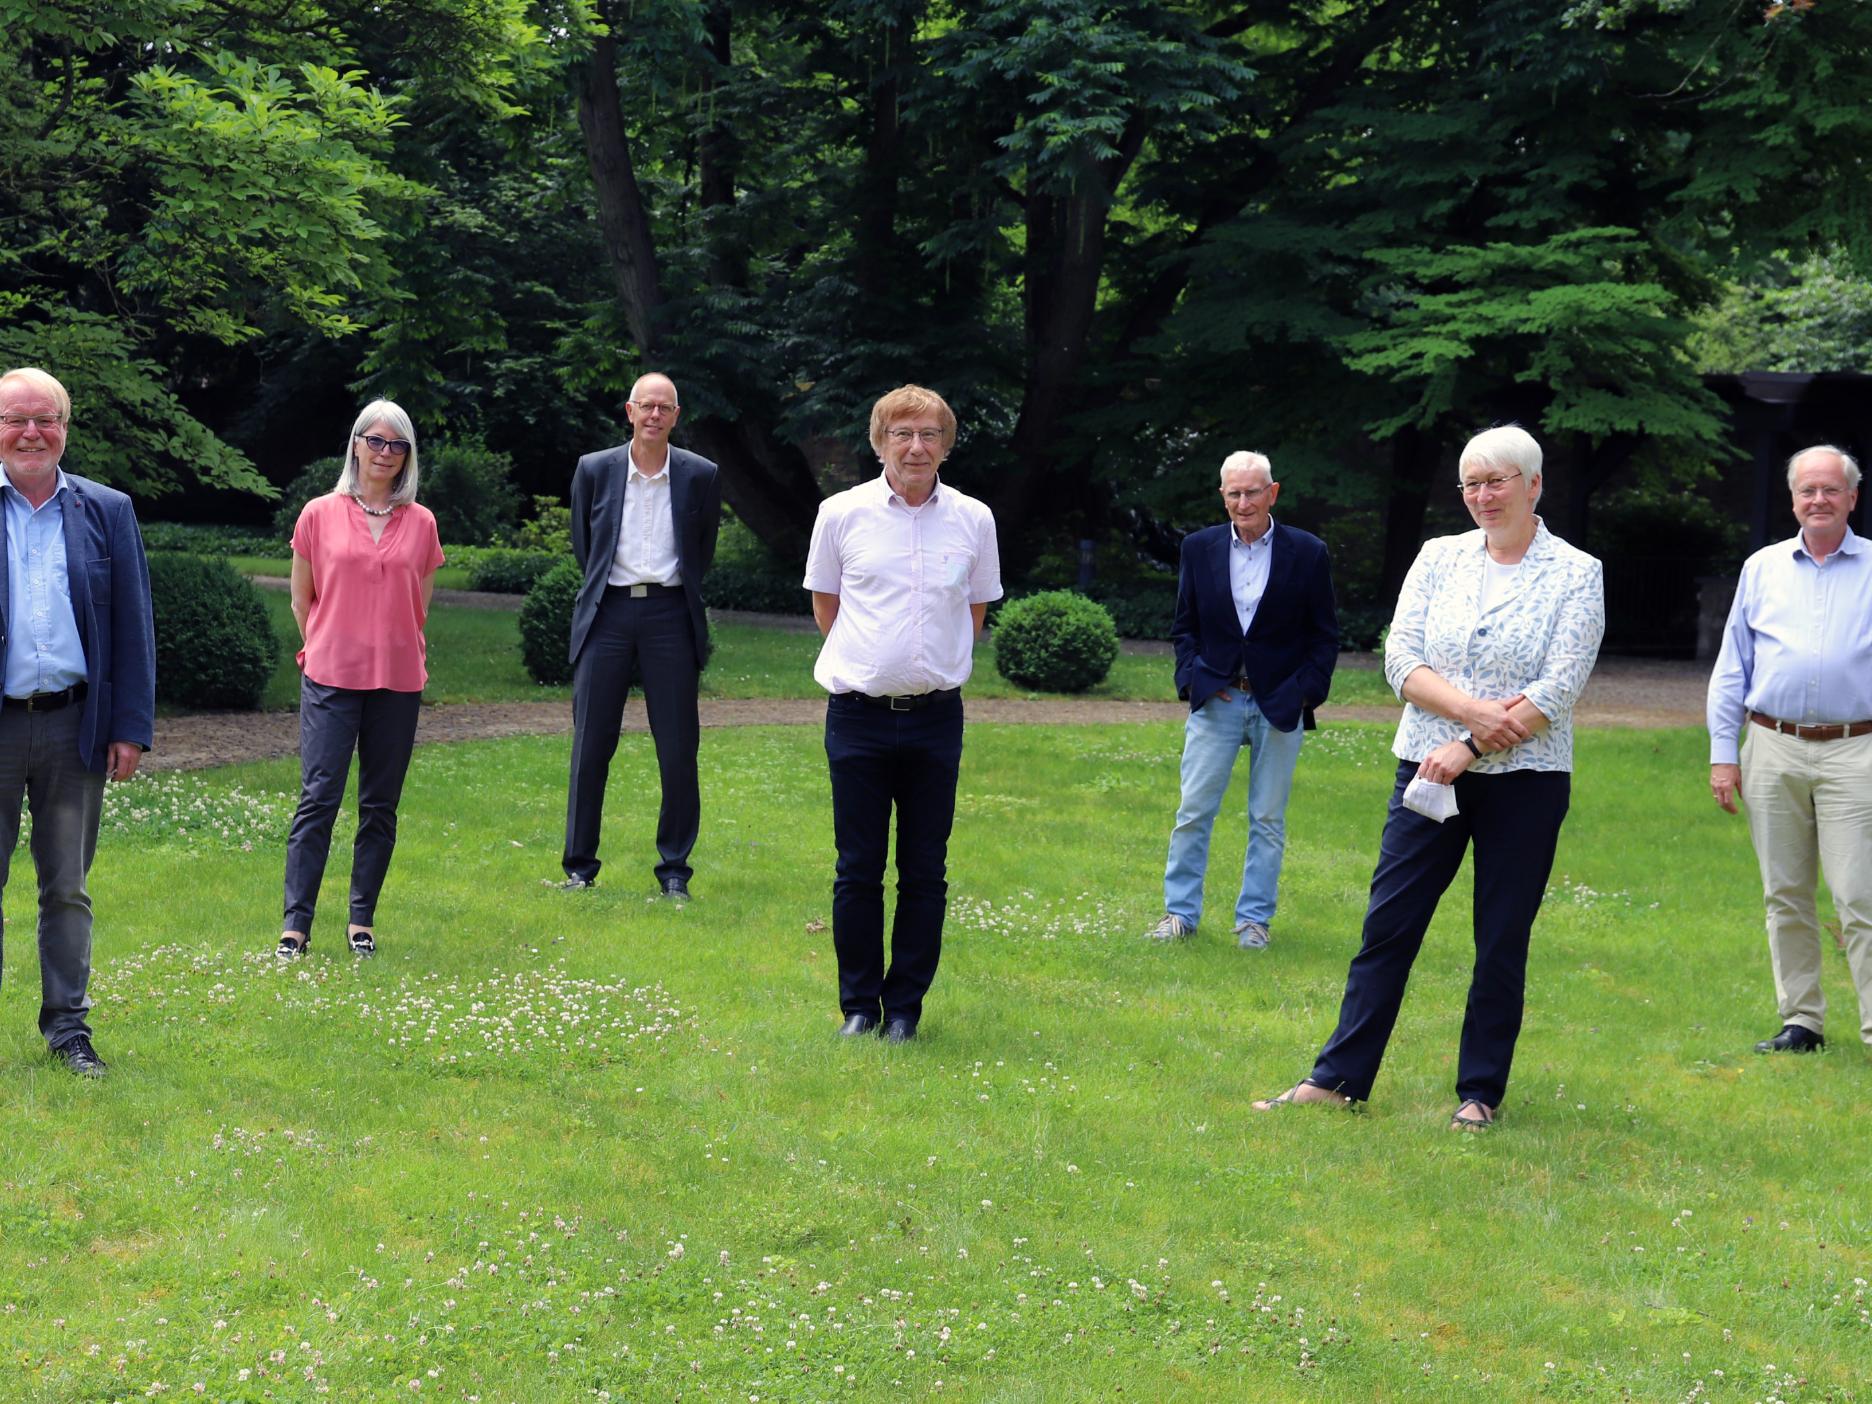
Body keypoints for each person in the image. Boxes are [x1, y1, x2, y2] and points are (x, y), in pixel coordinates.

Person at [1252, 425, 1603, 1129]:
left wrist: (1468, 746)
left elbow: (1557, 689)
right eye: (1471, 483)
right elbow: (1401, 661)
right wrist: (1471, 717)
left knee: (1500, 938)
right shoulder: (1438, 558)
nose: (1483, 495)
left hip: (1526, 780)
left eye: (1498, 480)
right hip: (1425, 769)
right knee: (1389, 925)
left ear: (1534, 485)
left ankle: (1479, 1094)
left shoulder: (1577, 571)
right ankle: (1338, 1077)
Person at [803, 385, 1002, 1042]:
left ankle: (906, 1010)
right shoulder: (841, 514)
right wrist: (873, 662)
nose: (916, 447)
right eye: (902, 434)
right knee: (857, 867)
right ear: (879, 441)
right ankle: (859, 1007)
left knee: (924, 869)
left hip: (935, 719)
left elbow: (972, 615)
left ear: (946, 444)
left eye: (929, 435)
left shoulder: (975, 520)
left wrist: (926, 667)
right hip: (857, 716)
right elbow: (827, 607)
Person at [0, 366, 155, 1076]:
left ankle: (68, 1030)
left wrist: (130, 724)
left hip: (74, 727)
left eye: (45, 418)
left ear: (64, 427)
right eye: (15, 419)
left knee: (67, 886)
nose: (31, 432)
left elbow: (133, 627)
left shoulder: (107, 510)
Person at [1707, 444, 1872, 1055]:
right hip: (1772, 747)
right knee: (1785, 893)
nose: (1820, 500)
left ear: (1852, 498)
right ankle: (1802, 1021)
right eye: (1809, 490)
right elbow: (1732, 669)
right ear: (1794, 499)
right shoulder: (1762, 569)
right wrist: (1725, 754)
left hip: (1858, 751)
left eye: (1832, 490)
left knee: (1860, 895)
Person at [1146, 451, 1338, 949]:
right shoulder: (1198, 547)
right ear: (1223, 496)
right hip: (1217, 698)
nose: (1243, 501)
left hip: (1280, 701)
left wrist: (1305, 694)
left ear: (1272, 493)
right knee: (1193, 811)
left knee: (1268, 818)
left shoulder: (1308, 551)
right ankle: (1180, 915)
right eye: (1234, 493)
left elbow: (1324, 636)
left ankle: (1254, 921)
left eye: (1253, 491)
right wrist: (1190, 680)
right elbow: (1184, 625)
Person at [278, 400, 444, 958]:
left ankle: (361, 921)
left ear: (407, 457)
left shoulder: (421, 524)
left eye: (397, 445)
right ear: (355, 444)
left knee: (380, 805)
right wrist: (330, 641)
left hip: (398, 681)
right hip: (330, 677)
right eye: (375, 440)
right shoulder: (318, 514)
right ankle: (295, 926)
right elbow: (302, 600)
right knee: (318, 799)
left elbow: (418, 607)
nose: (384, 453)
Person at [561, 372, 721, 899]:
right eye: (646, 406)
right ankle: (579, 867)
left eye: (665, 407)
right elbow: (586, 546)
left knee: (678, 748)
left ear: (676, 416)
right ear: (629, 411)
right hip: (607, 613)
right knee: (590, 746)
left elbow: (701, 552)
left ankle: (674, 869)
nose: (655, 415)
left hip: (670, 616)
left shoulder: (700, 475)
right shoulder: (594, 469)